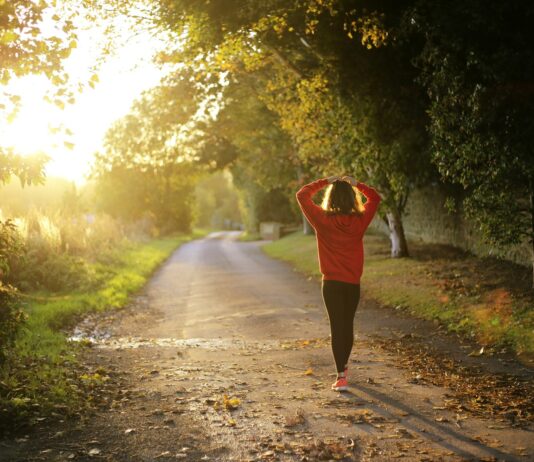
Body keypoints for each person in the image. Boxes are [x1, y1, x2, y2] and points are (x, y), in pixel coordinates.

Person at [296, 175, 381, 391]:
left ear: (330, 198)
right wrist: (357, 184)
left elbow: (302, 195)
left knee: (337, 327)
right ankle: (344, 368)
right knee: (347, 325)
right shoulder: (360, 221)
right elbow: (375, 198)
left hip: (331, 284)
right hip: (352, 283)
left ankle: (341, 375)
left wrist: (325, 181)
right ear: (352, 198)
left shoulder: (322, 220)